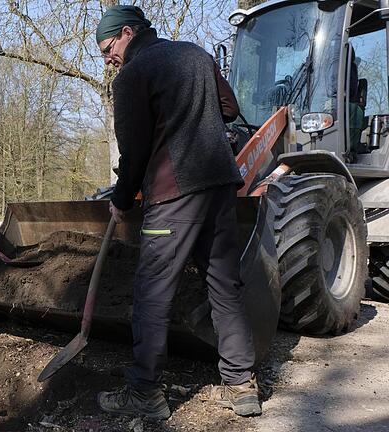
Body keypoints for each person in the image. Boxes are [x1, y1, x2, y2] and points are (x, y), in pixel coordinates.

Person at [94, 5, 261, 419]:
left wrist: (120, 198)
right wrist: (193, 114)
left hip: (173, 195)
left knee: (152, 292)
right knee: (224, 284)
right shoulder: (195, 54)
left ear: (128, 33)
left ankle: (145, 393)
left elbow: (132, 152)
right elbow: (228, 107)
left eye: (107, 48)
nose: (107, 58)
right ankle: (241, 385)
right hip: (220, 186)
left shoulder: (132, 77)